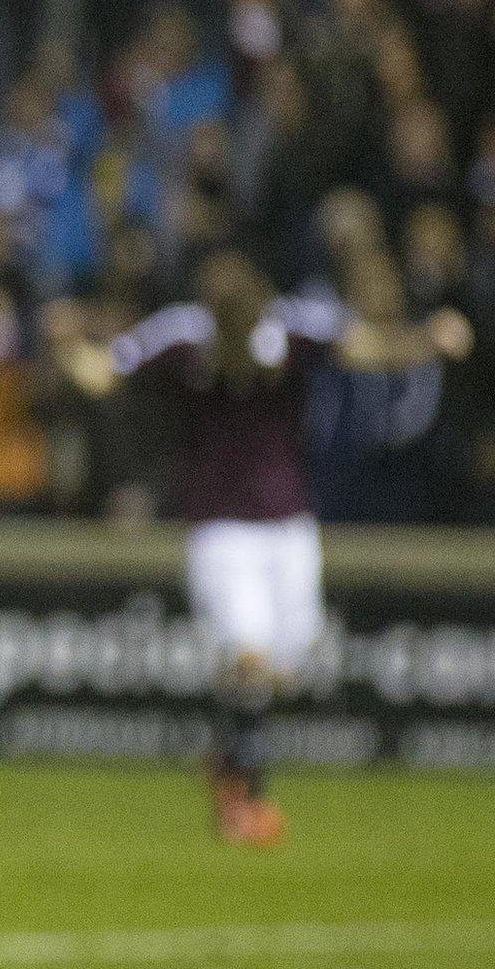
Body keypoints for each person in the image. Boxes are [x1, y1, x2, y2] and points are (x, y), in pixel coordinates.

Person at [51, 248, 472, 845]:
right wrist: (66, 346)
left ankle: (226, 757)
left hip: (288, 525)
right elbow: (105, 372)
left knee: (287, 660)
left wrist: (428, 339)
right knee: (249, 657)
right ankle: (248, 800)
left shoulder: (292, 328)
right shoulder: (183, 334)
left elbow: (367, 348)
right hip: (220, 528)